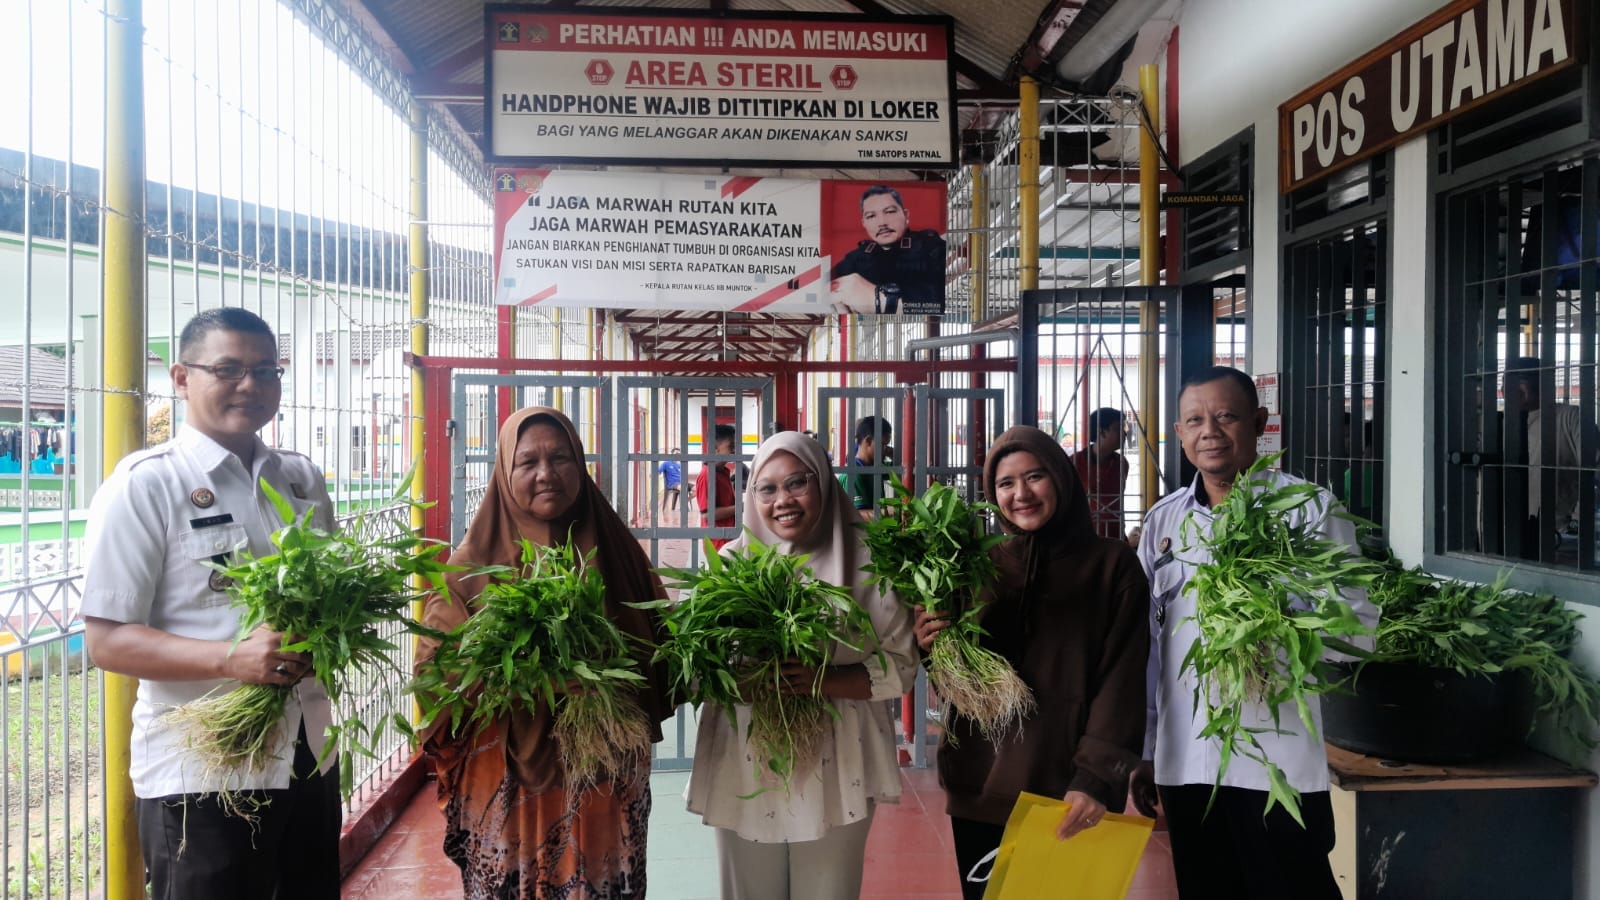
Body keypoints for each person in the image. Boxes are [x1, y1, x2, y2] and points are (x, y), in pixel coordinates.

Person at [81, 307, 341, 898]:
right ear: (181, 378)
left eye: (266, 370)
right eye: (228, 368)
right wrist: (230, 658)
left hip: (308, 754)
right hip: (203, 774)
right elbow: (106, 640)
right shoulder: (147, 485)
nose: (251, 384)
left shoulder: (300, 479)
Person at [1130, 366, 1378, 899]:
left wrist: (1279, 618)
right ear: (1178, 433)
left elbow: (1358, 631)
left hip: (1276, 761)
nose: (1210, 432)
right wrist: (1146, 747)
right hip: (1187, 759)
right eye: (1195, 420)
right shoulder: (1164, 523)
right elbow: (1151, 650)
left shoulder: (1308, 510)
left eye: (1226, 417)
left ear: (1259, 422)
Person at [416, 406, 675, 896]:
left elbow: (662, 651)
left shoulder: (617, 553)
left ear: (579, 464)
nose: (545, 474)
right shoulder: (469, 568)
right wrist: (536, 679)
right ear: (504, 472)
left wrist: (608, 674)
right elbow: (437, 674)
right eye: (527, 461)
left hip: (605, 778)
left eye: (560, 458)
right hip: (509, 785)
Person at [913, 426, 1150, 900]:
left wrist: (1095, 778)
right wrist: (930, 646)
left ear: (1061, 478)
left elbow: (1121, 682)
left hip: (1064, 793)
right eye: (1005, 483)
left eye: (1035, 476)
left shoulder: (1111, 567)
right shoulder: (979, 566)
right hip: (980, 786)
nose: (1020, 494)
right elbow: (960, 681)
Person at [687, 431, 917, 900]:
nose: (782, 501)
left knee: (828, 888)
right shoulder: (731, 565)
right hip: (747, 757)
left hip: (840, 757)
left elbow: (900, 663)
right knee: (748, 888)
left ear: (825, 484)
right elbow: (697, 661)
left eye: (797, 483)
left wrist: (822, 680)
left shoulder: (868, 562)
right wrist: (737, 680)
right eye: (767, 489)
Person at [1506, 357, 1599, 559]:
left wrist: (1577, 521)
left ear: (1544, 382)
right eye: (1506, 380)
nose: (1511, 386)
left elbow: (1596, 470)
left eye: (1522, 378)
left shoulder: (1570, 417)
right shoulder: (1502, 426)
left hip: (1560, 538)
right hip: (1509, 535)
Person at [830, 185, 947, 316]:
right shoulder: (857, 256)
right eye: (871, 216)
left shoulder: (932, 248)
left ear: (906, 215)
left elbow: (939, 300)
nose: (882, 222)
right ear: (864, 223)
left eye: (890, 212)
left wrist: (877, 299)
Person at [1070, 407, 1131, 540]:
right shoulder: (1074, 463)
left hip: (1116, 537)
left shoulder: (1121, 463)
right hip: (1084, 540)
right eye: (1118, 428)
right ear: (1101, 431)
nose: (1124, 434)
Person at [696, 423, 739, 549]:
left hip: (728, 539)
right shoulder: (708, 475)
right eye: (731, 446)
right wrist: (740, 507)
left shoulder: (722, 471)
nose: (734, 450)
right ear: (715, 449)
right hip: (718, 544)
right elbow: (707, 515)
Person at [842, 415, 893, 519]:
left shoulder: (875, 467)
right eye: (882, 445)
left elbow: (903, 468)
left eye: (886, 445)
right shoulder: (855, 473)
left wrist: (890, 452)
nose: (885, 449)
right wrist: (890, 511)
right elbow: (857, 514)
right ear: (868, 441)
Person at [659, 449, 682, 514]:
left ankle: (684, 503)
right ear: (671, 454)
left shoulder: (678, 464)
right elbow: (659, 471)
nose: (678, 455)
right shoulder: (666, 463)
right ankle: (684, 507)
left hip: (681, 483)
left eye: (679, 454)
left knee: (696, 489)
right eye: (676, 454)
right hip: (672, 484)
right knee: (682, 487)